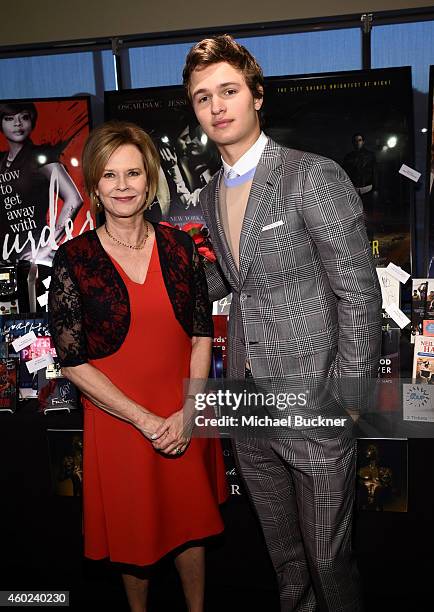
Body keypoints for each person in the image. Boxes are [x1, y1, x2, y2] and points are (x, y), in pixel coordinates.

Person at [183, 35, 382, 611]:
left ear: (257, 96)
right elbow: (232, 281)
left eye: (228, 91)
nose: (217, 106)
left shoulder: (310, 176)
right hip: (249, 408)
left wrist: (349, 399)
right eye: (202, 98)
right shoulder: (210, 192)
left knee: (328, 561)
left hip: (315, 406)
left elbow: (358, 292)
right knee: (286, 563)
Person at [48, 120, 227, 612]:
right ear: (95, 187)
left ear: (149, 180)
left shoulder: (181, 247)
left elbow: (200, 336)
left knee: (192, 527)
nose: (123, 186)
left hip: (182, 411)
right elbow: (71, 362)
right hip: (119, 422)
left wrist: (189, 412)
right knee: (135, 539)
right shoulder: (74, 259)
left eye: (132, 174)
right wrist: (143, 419)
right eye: (110, 176)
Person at [0, 102, 84, 263]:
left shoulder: (40, 156)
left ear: (32, 121)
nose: (17, 124)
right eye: (9, 118)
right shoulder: (1, 161)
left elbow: (74, 199)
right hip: (5, 256)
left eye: (24, 117)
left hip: (33, 252)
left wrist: (48, 246)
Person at [342, 133, 377, 220]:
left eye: (359, 140)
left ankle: (368, 231)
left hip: (367, 187)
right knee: (354, 212)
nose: (357, 142)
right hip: (354, 187)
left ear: (363, 142)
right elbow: (345, 174)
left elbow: (375, 171)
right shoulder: (348, 157)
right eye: (355, 141)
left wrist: (375, 187)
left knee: (368, 212)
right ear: (353, 143)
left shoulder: (370, 155)